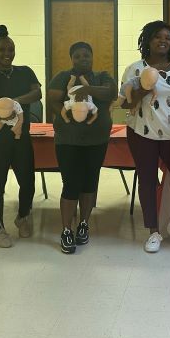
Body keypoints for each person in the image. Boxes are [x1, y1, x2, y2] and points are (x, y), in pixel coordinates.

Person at [122, 20, 170, 253]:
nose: (163, 41)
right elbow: (126, 103)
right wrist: (144, 87)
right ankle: (153, 231)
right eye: (157, 36)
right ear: (147, 41)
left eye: (167, 37)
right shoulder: (135, 68)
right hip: (142, 134)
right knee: (147, 181)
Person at [47, 42, 117, 254]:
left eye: (86, 55)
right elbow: (52, 98)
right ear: (72, 59)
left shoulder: (103, 76)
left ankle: (84, 224)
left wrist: (86, 89)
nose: (82, 59)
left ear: (92, 56)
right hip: (67, 140)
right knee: (70, 183)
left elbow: (111, 93)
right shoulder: (62, 76)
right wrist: (64, 114)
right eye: (77, 56)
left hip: (97, 140)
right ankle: (66, 230)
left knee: (89, 182)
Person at [0, 25, 42, 248]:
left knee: (28, 180)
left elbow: (37, 92)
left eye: (11, 49)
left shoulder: (25, 72)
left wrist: (12, 102)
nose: (7, 53)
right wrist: (6, 107)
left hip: (20, 134)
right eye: (2, 50)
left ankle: (23, 216)